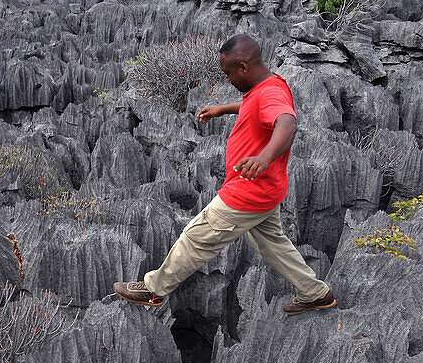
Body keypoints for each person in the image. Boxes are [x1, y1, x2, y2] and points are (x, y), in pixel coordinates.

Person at [113, 34, 335, 316]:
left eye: (228, 73)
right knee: (274, 245)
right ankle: (315, 293)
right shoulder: (268, 84)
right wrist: (223, 109)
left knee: (196, 238)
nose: (227, 79)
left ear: (243, 67)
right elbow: (254, 106)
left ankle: (153, 290)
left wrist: (264, 157)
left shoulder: (271, 92)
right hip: (267, 192)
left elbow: (287, 124)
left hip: (247, 193)